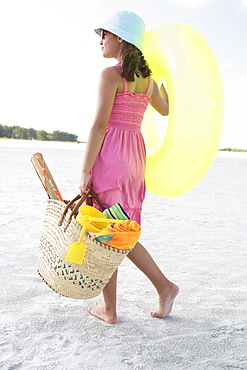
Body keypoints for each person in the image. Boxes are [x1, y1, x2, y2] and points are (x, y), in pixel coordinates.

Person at [79, 10, 179, 324]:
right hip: (135, 158)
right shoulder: (147, 81)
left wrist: (84, 171)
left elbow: (98, 126)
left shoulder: (111, 74)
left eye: (105, 34)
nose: (101, 40)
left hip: (111, 157)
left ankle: (115, 307)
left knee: (107, 231)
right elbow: (164, 110)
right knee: (117, 229)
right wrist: (164, 79)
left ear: (120, 38)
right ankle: (162, 287)